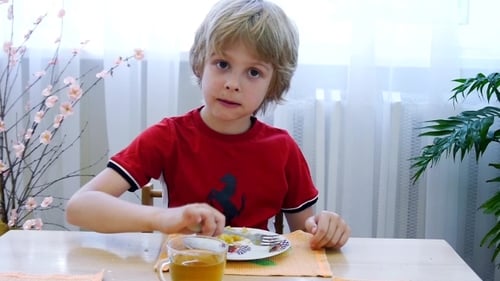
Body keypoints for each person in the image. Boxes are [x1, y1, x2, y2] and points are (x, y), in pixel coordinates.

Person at [66, 0, 350, 250]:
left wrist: (326, 228)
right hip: (187, 268)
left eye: (253, 72)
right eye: (222, 64)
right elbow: (79, 208)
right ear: (200, 64)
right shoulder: (169, 136)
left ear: (274, 84)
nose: (232, 84)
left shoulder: (283, 148)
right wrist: (163, 219)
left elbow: (306, 234)